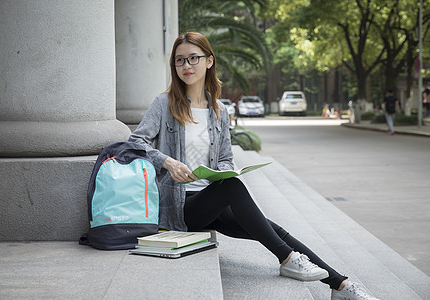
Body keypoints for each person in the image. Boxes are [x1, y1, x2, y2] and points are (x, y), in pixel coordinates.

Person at [129, 32, 379, 300]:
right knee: (233, 189)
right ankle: (288, 259)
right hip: (180, 207)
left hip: (211, 201)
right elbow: (134, 142)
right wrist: (167, 162)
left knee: (274, 230)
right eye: (180, 61)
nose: (186, 66)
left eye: (193, 58)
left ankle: (340, 285)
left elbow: (225, 157)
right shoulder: (164, 104)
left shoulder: (218, 112)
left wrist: (222, 170)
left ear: (209, 61)